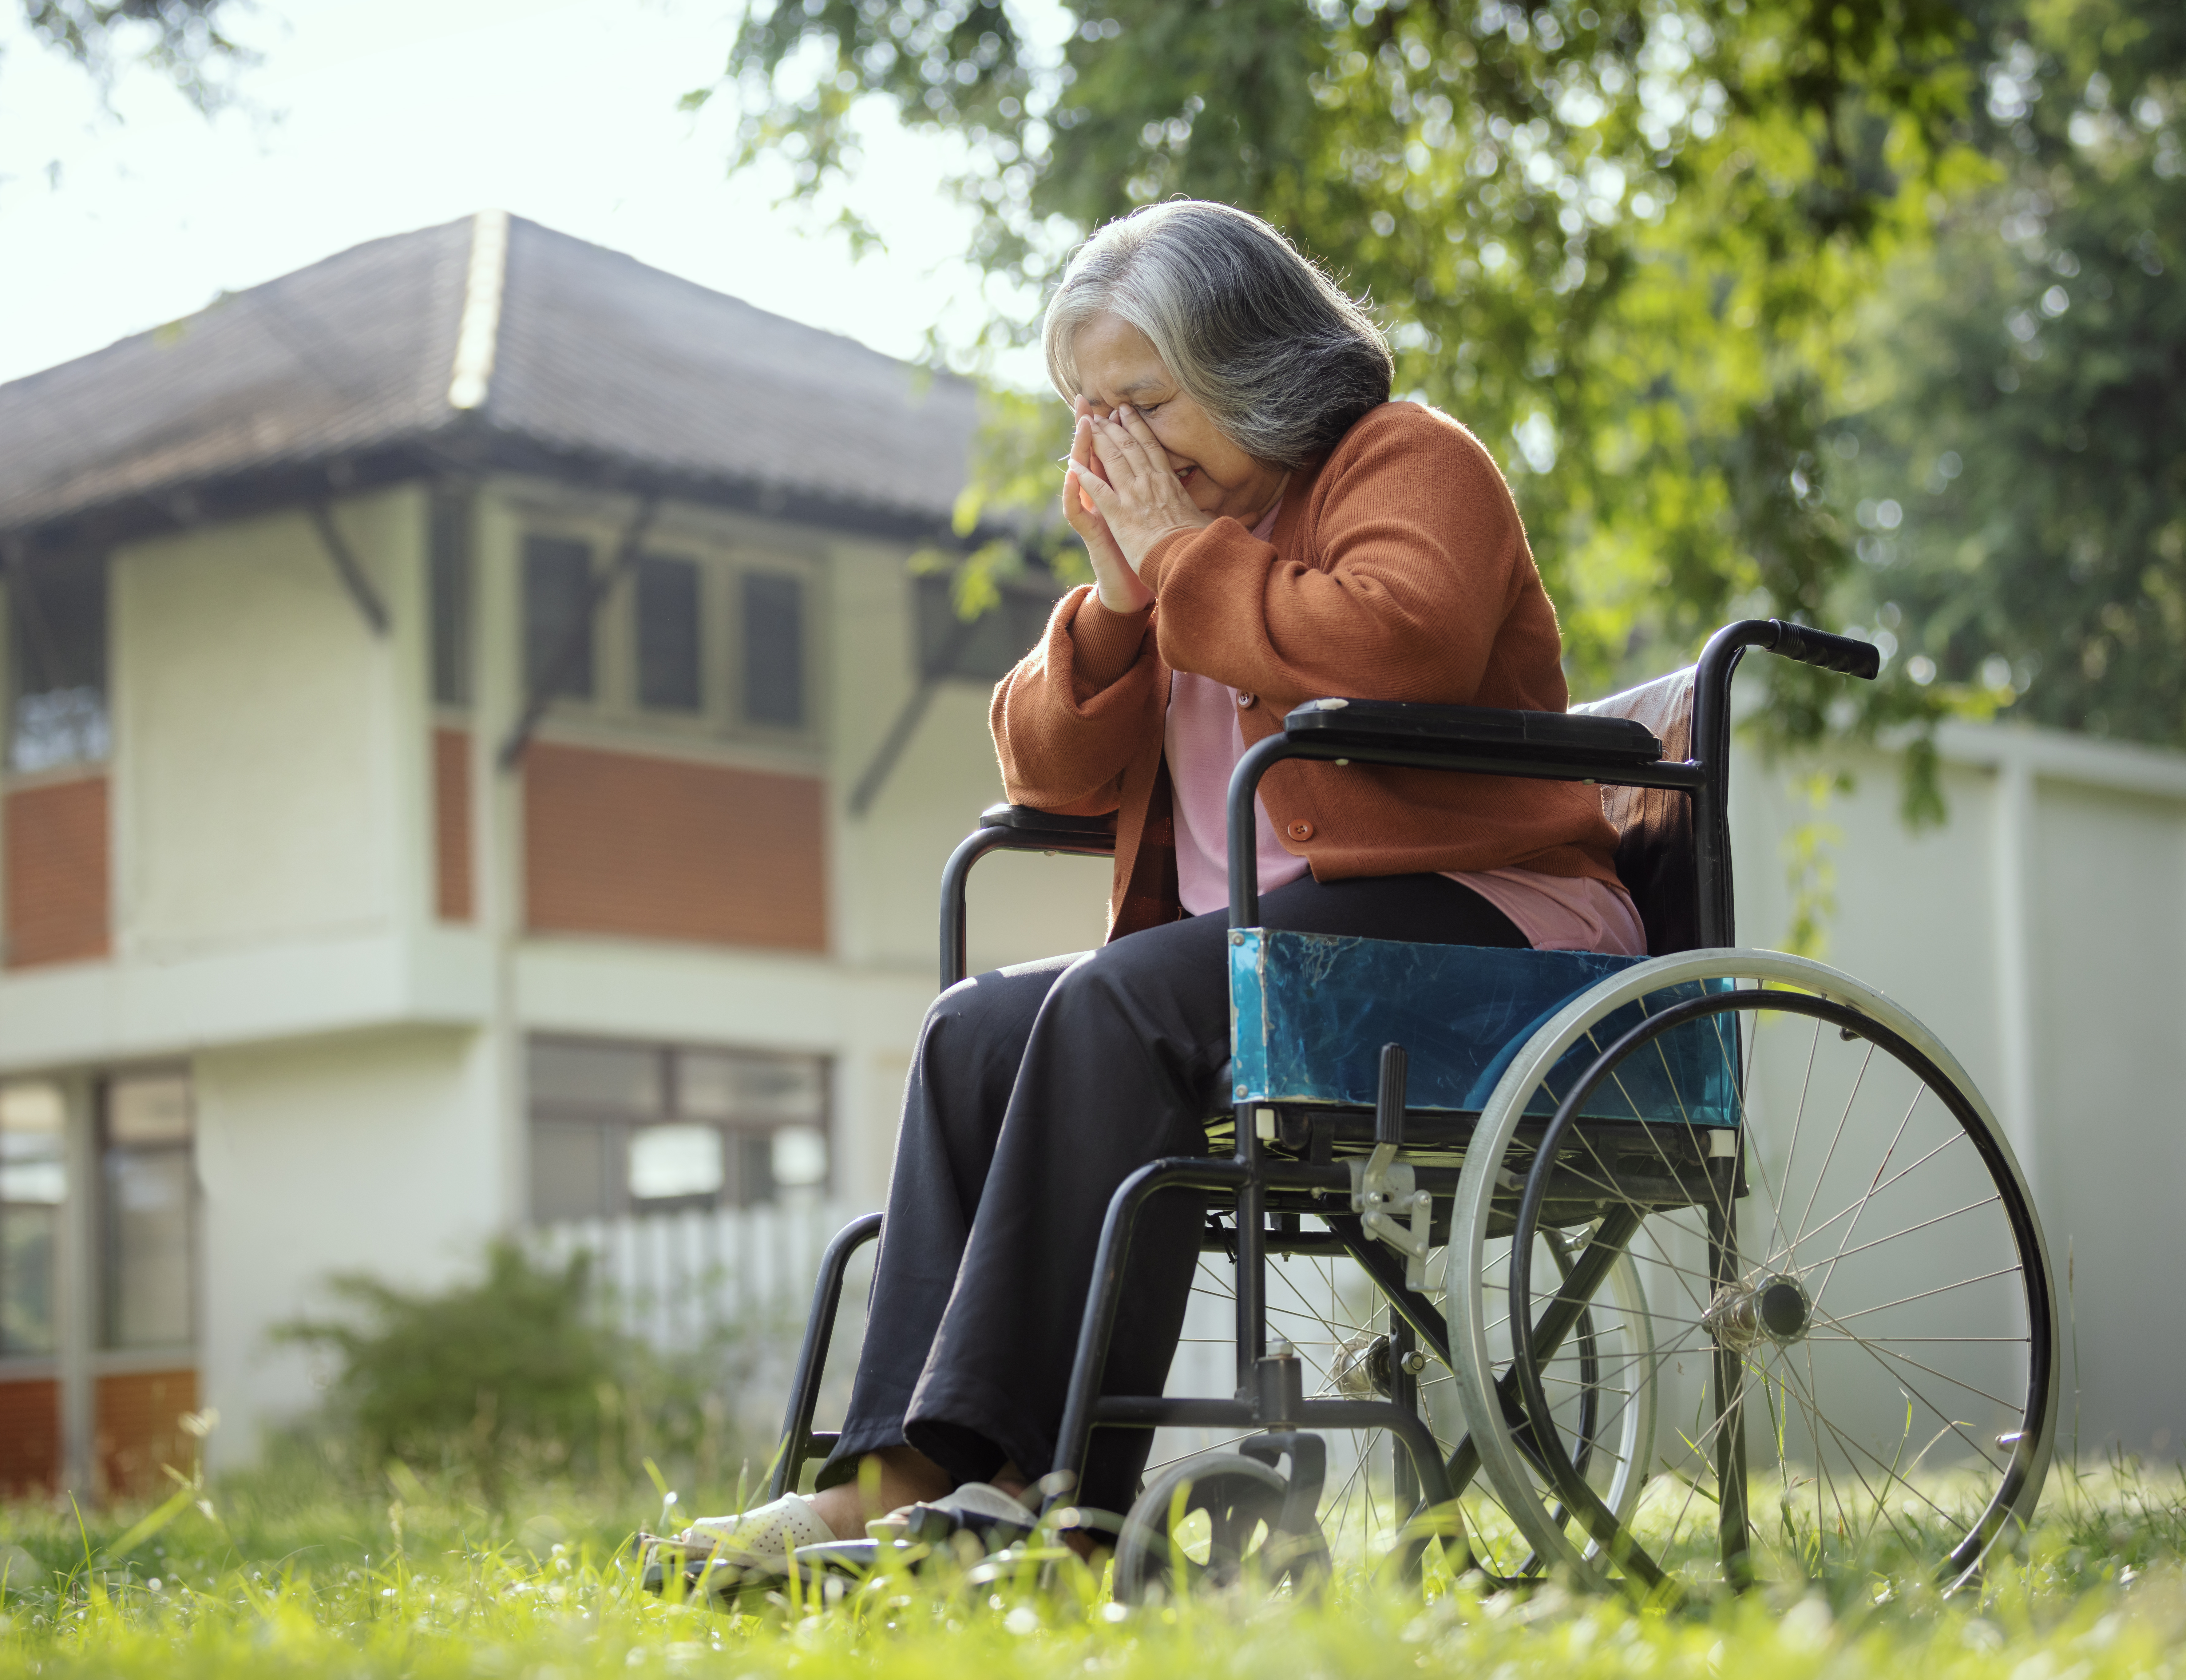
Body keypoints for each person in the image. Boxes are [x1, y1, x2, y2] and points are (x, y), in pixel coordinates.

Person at [658, 201, 1644, 1568]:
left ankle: (1045, 1495)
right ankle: (903, 1475)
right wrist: (1119, 601)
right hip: (1275, 962)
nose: (1110, 445)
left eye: (1141, 400)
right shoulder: (1175, 553)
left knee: (1119, 1003)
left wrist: (1181, 560)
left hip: (1493, 936)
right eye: (1085, 410)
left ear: (1246, 363)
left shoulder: (1409, 460)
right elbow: (1044, 765)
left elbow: (1398, 644)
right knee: (977, 1026)